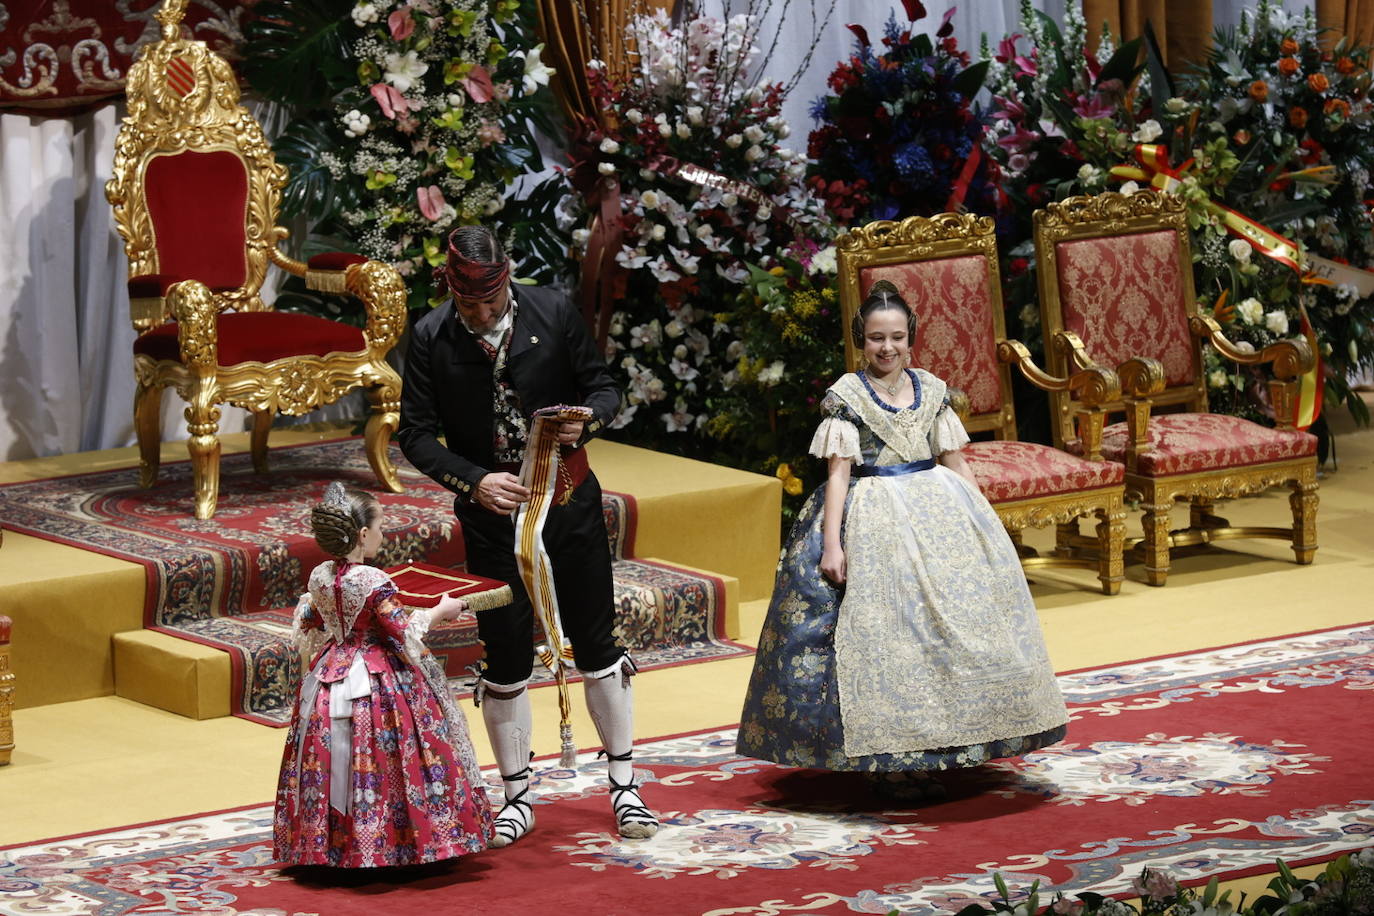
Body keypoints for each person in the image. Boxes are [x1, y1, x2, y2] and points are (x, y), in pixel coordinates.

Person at [736, 280, 1068, 801]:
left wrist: (984, 524)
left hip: (936, 512)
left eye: (894, 337)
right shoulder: (846, 397)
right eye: (874, 338)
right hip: (872, 515)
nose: (885, 348)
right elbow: (840, 474)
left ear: (910, 337)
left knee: (945, 628)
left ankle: (942, 743)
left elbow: (955, 462)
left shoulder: (931, 390)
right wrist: (832, 545)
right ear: (860, 341)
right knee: (884, 633)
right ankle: (884, 756)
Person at [398, 226, 657, 846]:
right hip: (491, 521)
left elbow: (603, 389)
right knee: (507, 653)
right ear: (450, 292)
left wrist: (587, 420)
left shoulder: (553, 310)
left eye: (492, 303)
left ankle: (625, 787)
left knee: (596, 642)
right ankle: (516, 797)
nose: (482, 315)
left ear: (508, 274)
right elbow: (415, 433)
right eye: (470, 307)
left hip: (569, 502)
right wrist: (473, 481)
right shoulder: (431, 335)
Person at [273, 482, 492, 867]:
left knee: (330, 755)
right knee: (393, 754)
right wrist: (443, 611)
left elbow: (310, 622)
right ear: (361, 534)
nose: (382, 533)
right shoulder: (373, 581)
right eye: (379, 526)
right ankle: (396, 844)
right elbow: (403, 632)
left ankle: (328, 843)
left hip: (328, 675)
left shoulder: (320, 576)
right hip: (375, 679)